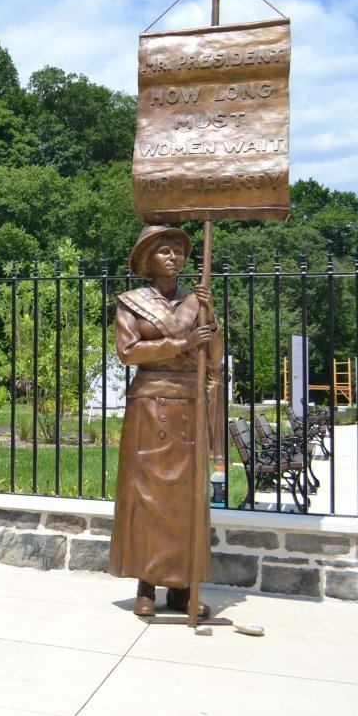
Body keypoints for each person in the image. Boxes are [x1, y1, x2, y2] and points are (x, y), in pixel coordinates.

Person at [109, 224, 223, 617]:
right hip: (147, 407)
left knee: (186, 500)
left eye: (179, 252)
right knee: (147, 497)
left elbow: (216, 356)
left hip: (188, 404)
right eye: (165, 251)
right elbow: (128, 352)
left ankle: (182, 587)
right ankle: (147, 584)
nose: (174, 257)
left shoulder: (196, 301)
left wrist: (210, 318)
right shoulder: (131, 302)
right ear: (147, 259)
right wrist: (180, 344)